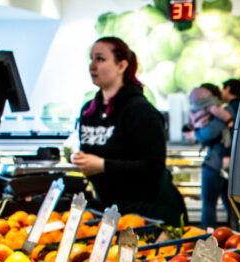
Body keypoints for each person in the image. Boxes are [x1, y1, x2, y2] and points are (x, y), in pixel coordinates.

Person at [72, 37, 186, 225]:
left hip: (149, 212)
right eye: (91, 59)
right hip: (113, 210)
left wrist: (103, 165)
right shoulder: (88, 111)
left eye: (100, 59)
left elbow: (153, 167)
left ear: (121, 66)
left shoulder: (141, 111)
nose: (92, 66)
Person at [189, 83, 236, 230]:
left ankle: (208, 240)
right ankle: (236, 238)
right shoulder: (224, 110)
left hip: (215, 164)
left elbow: (209, 133)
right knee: (232, 208)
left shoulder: (226, 110)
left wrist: (195, 134)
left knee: (209, 206)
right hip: (228, 166)